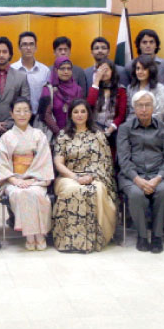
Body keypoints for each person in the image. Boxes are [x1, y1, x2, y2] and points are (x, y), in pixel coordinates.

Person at [52, 99, 118, 252]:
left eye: (83, 111)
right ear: (70, 115)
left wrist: (91, 177)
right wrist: (75, 177)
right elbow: (59, 164)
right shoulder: (63, 135)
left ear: (89, 114)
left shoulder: (98, 136)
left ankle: (93, 241)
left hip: (95, 177)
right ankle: (68, 242)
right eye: (76, 112)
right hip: (68, 177)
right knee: (72, 190)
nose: (79, 115)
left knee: (96, 190)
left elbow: (105, 163)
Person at [117, 90, 164, 254]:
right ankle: (142, 236)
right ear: (134, 108)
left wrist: (157, 179)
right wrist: (138, 180)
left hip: (159, 175)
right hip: (132, 176)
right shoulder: (125, 129)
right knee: (136, 194)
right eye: (140, 106)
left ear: (154, 108)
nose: (143, 109)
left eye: (147, 105)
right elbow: (123, 160)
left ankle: (157, 236)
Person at [0, 97, 55, 251]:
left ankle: (40, 235)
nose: (22, 114)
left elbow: (43, 158)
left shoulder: (38, 135)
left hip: (36, 178)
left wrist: (32, 179)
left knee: (38, 194)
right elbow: (1, 162)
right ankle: (30, 235)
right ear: (11, 114)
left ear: (31, 113)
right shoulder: (6, 137)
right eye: (18, 111)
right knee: (21, 194)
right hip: (12, 179)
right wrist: (14, 180)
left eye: (26, 111)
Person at [39, 55, 84, 139]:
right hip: (53, 135)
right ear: (56, 70)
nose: (66, 71)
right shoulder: (48, 89)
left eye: (69, 68)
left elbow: (81, 112)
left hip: (74, 135)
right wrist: (59, 133)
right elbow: (45, 115)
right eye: (62, 68)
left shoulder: (78, 90)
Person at [87, 58, 127, 146]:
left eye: (106, 70)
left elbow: (121, 115)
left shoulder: (120, 89)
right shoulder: (95, 88)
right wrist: (97, 80)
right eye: (101, 70)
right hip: (94, 127)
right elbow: (89, 105)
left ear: (112, 71)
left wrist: (110, 129)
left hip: (113, 128)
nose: (103, 73)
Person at [11, 31, 50, 112]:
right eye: (24, 44)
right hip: (18, 116)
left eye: (31, 44)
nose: (28, 48)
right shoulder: (12, 69)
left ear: (36, 47)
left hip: (38, 117)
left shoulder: (44, 70)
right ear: (19, 48)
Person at [127, 54, 164, 121]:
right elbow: (130, 113)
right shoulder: (131, 88)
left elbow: (159, 114)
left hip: (153, 126)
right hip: (132, 126)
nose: (140, 72)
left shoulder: (159, 88)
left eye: (144, 69)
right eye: (138, 68)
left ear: (151, 70)